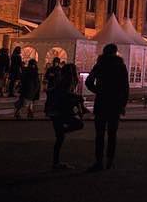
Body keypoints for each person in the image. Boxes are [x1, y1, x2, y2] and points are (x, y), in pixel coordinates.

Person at [85, 44, 129, 172]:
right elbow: (125, 88)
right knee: (112, 134)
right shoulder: (121, 66)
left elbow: (89, 81)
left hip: (102, 102)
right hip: (115, 103)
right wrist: (123, 104)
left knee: (99, 134)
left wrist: (98, 90)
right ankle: (110, 161)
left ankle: (98, 161)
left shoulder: (100, 65)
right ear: (116, 53)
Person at [46, 63, 84, 170]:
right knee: (78, 125)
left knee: (60, 138)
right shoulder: (67, 81)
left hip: (55, 111)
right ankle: (56, 162)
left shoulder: (61, 80)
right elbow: (64, 94)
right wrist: (78, 97)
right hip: (61, 111)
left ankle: (56, 162)